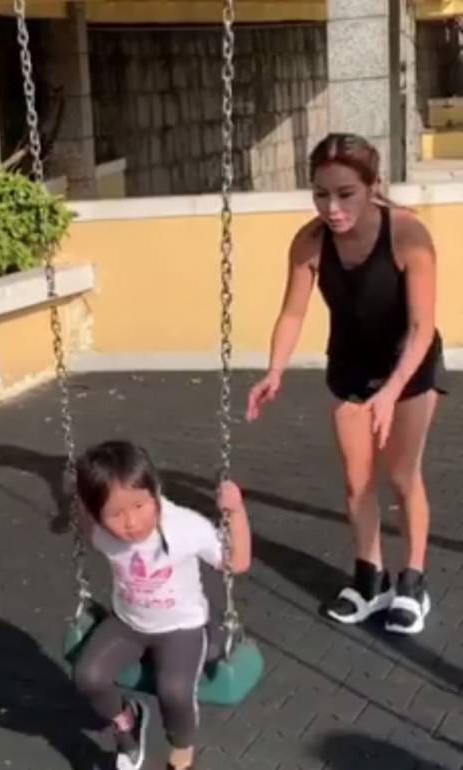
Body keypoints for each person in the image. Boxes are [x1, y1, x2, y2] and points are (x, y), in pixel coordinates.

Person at [246, 132, 444, 636]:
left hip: (409, 368)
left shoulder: (408, 235)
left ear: (373, 186)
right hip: (351, 369)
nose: (331, 208)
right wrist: (274, 370)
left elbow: (421, 327)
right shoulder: (310, 242)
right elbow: (293, 313)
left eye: (345, 194)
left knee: (402, 476)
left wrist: (391, 392)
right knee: (358, 482)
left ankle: (413, 581)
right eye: (320, 194)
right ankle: (370, 579)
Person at [72, 440, 251, 770]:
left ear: (155, 491)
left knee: (175, 693)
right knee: (88, 677)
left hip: (181, 629)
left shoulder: (185, 527)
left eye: (139, 505)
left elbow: (236, 562)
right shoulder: (102, 533)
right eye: (116, 514)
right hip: (128, 623)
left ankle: (181, 756)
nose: (131, 522)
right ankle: (127, 722)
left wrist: (236, 511)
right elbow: (85, 525)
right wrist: (78, 495)